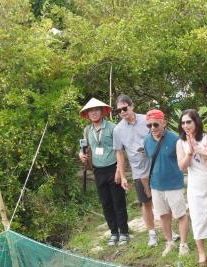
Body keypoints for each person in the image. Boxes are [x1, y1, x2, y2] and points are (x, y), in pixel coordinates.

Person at [78, 97, 129, 246]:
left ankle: (124, 232)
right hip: (98, 171)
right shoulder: (87, 130)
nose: (94, 113)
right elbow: (84, 148)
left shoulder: (113, 128)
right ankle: (113, 232)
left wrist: (119, 170)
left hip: (113, 168)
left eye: (96, 110)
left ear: (102, 111)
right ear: (87, 114)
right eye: (91, 111)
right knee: (106, 203)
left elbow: (120, 150)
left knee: (118, 202)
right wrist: (80, 154)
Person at [176, 109, 207, 266]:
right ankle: (201, 252)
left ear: (196, 122)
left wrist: (197, 147)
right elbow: (182, 167)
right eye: (183, 123)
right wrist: (189, 153)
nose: (185, 125)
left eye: (188, 122)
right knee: (197, 217)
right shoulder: (180, 143)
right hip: (194, 185)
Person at [143, 109, 190, 257]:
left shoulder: (175, 139)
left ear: (164, 123)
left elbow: (183, 161)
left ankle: (183, 244)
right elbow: (149, 160)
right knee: (163, 215)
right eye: (149, 125)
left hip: (174, 184)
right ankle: (169, 242)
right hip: (156, 185)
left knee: (180, 215)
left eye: (155, 124)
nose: (152, 128)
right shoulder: (146, 140)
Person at [113, 94, 157, 247]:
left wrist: (149, 148)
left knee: (161, 200)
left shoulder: (147, 120)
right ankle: (152, 234)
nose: (122, 112)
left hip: (155, 165)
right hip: (138, 171)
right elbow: (119, 153)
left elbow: (159, 136)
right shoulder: (118, 130)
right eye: (119, 110)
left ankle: (169, 231)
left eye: (124, 108)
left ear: (131, 106)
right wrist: (123, 176)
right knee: (146, 203)